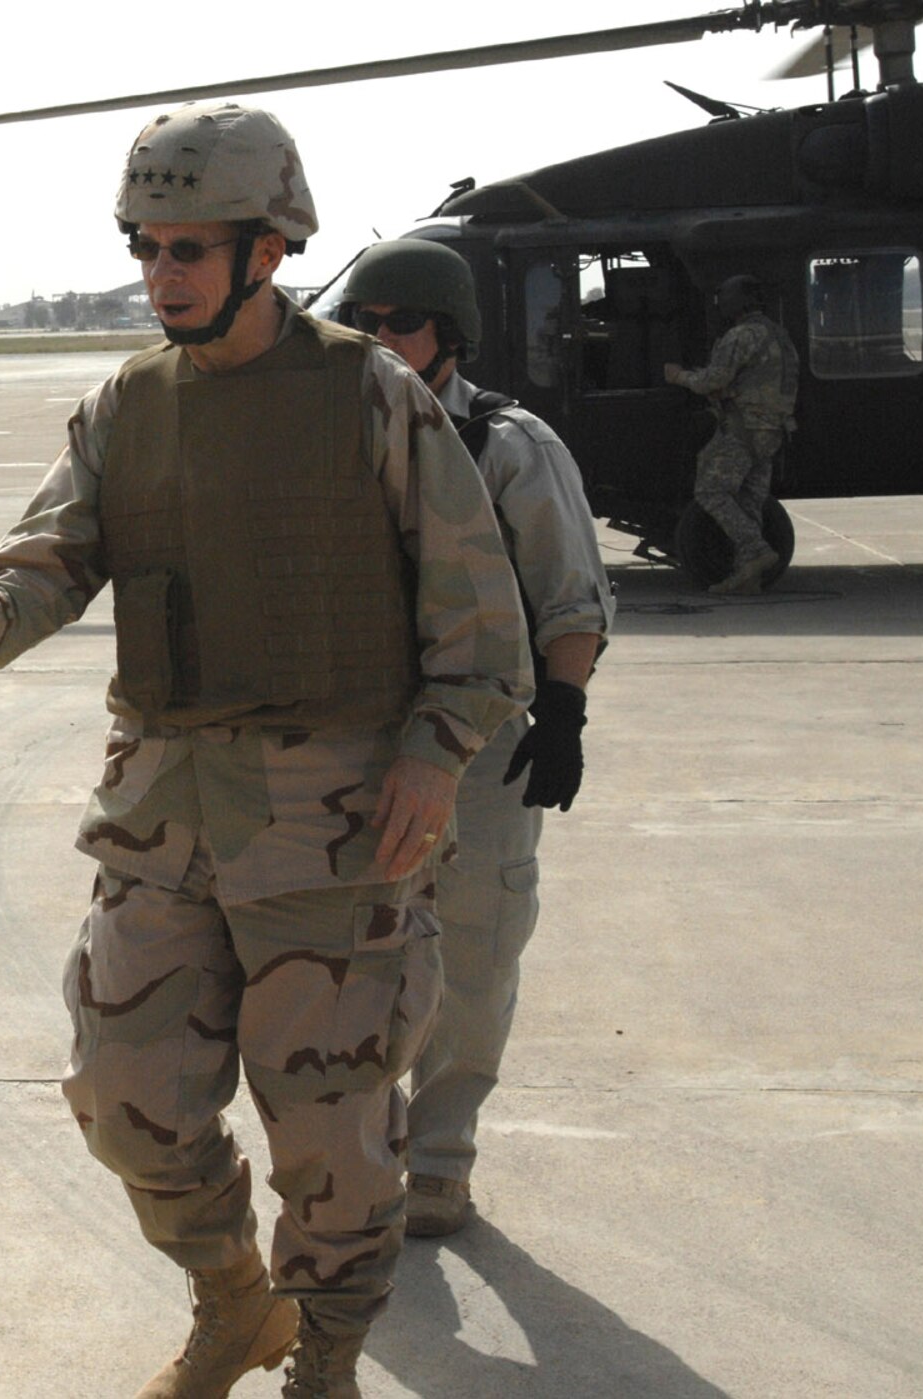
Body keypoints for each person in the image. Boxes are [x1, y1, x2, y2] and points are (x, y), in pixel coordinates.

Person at [0, 103, 531, 1399]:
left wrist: (434, 752)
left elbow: (481, 624)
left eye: (190, 246)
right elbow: (55, 551)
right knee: (124, 1093)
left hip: (335, 826)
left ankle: (329, 1360)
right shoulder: (127, 405)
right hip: (162, 816)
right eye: (147, 245)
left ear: (269, 248)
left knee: (332, 1130)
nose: (163, 272)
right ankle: (232, 1301)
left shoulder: (371, 393)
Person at [337, 238, 615, 1240]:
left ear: (447, 335)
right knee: (348, 964)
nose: (377, 343)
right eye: (359, 326)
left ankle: (439, 1158)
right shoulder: (323, 439)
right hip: (351, 749)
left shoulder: (509, 445)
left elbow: (569, 596)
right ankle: (365, 1150)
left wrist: (565, 711)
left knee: (473, 953)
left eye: (399, 325)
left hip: (478, 754)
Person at [663, 274, 800, 595]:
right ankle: (748, 577)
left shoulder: (741, 337)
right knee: (749, 501)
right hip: (771, 432)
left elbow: (712, 380)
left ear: (737, 302)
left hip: (742, 429)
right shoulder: (779, 336)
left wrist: (678, 376)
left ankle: (756, 551)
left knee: (710, 492)